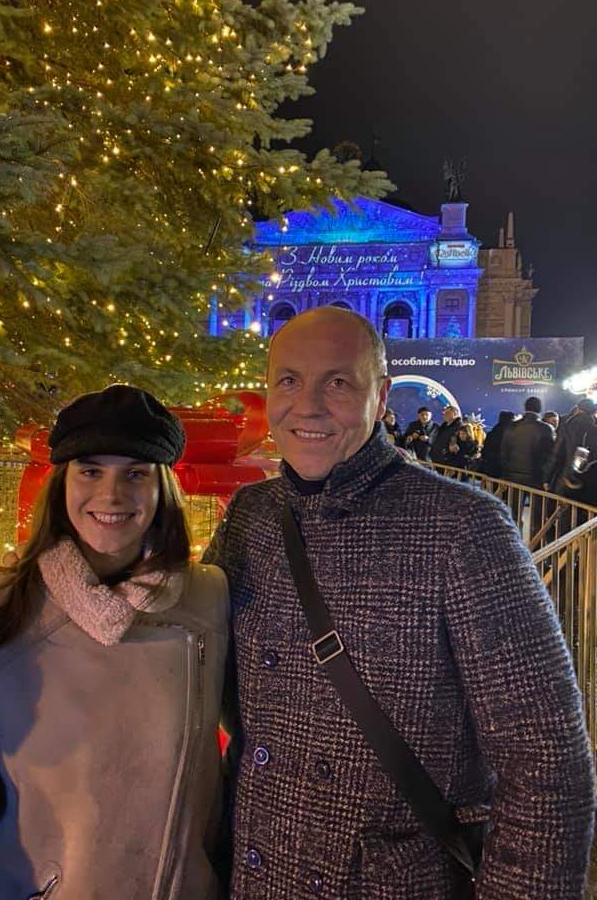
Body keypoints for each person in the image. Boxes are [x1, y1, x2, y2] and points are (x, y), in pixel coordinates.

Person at [204, 307, 594, 898]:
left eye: (338, 382)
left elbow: (547, 764)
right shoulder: (251, 515)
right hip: (256, 869)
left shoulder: (462, 526)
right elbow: (195, 651)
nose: (307, 406)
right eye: (289, 380)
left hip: (393, 883)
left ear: (380, 396)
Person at [0, 385, 229, 900]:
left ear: (163, 487)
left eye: (135, 474)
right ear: (62, 483)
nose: (111, 495)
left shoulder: (209, 596)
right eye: (90, 471)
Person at [500, 396, 556, 489]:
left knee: (513, 498)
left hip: (512, 475)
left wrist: (506, 472)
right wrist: (546, 477)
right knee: (535, 499)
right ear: (540, 409)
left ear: (525, 407)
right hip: (536, 477)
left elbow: (504, 452)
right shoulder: (546, 428)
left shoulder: (511, 426)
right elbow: (551, 455)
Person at [546, 398, 597, 495]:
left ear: (578, 409)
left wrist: (547, 478)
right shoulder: (594, 429)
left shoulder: (567, 426)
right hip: (588, 480)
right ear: (593, 412)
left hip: (566, 478)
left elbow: (556, 455)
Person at [479, 410, 515, 478]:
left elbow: (485, 451)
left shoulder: (492, 433)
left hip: (489, 469)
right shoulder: (508, 435)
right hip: (502, 470)